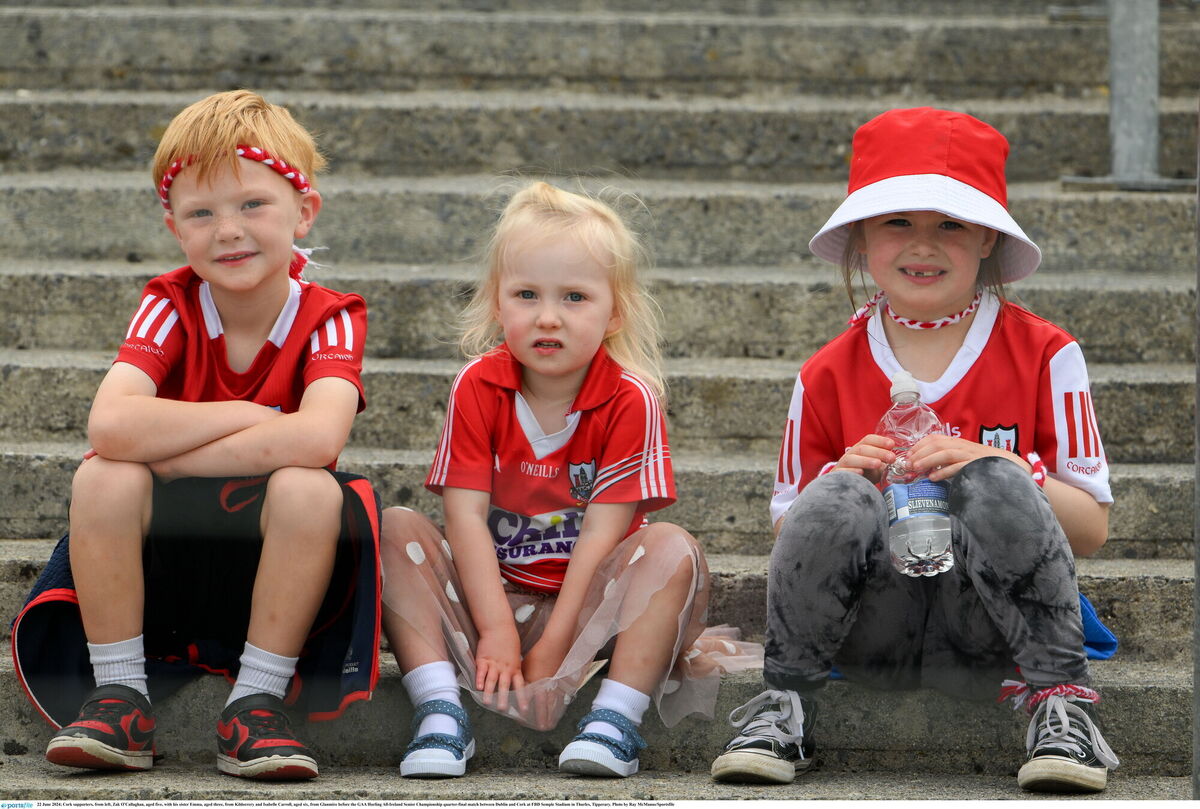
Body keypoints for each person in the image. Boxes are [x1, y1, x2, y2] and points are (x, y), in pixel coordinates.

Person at [709, 107, 1119, 793]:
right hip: (871, 628)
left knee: (994, 479)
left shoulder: (1049, 354)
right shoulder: (824, 372)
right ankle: (786, 705)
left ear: (987, 235)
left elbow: (1094, 528)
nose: (923, 244)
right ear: (863, 236)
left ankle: (1060, 708)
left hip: (998, 628)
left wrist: (1011, 470)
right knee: (834, 492)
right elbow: (788, 536)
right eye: (898, 220)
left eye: (951, 223)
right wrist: (839, 484)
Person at [11, 90, 381, 781]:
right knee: (103, 473)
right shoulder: (169, 302)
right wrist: (258, 417)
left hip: (272, 563)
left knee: (311, 489)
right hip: (167, 558)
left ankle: (256, 702)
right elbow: (112, 425)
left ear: (305, 211)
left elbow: (320, 438)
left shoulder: (331, 315)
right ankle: (120, 693)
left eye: (252, 205)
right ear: (175, 227)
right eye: (201, 213)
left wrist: (176, 454)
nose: (228, 230)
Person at [380, 181, 761, 779]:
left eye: (575, 297)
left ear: (615, 313)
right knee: (395, 528)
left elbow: (600, 540)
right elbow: (465, 522)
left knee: (670, 546)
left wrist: (553, 651)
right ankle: (438, 713)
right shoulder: (478, 387)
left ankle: (614, 720)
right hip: (492, 603)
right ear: (497, 304)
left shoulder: (630, 399)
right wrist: (499, 633)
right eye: (526, 294)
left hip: (591, 616)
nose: (548, 316)